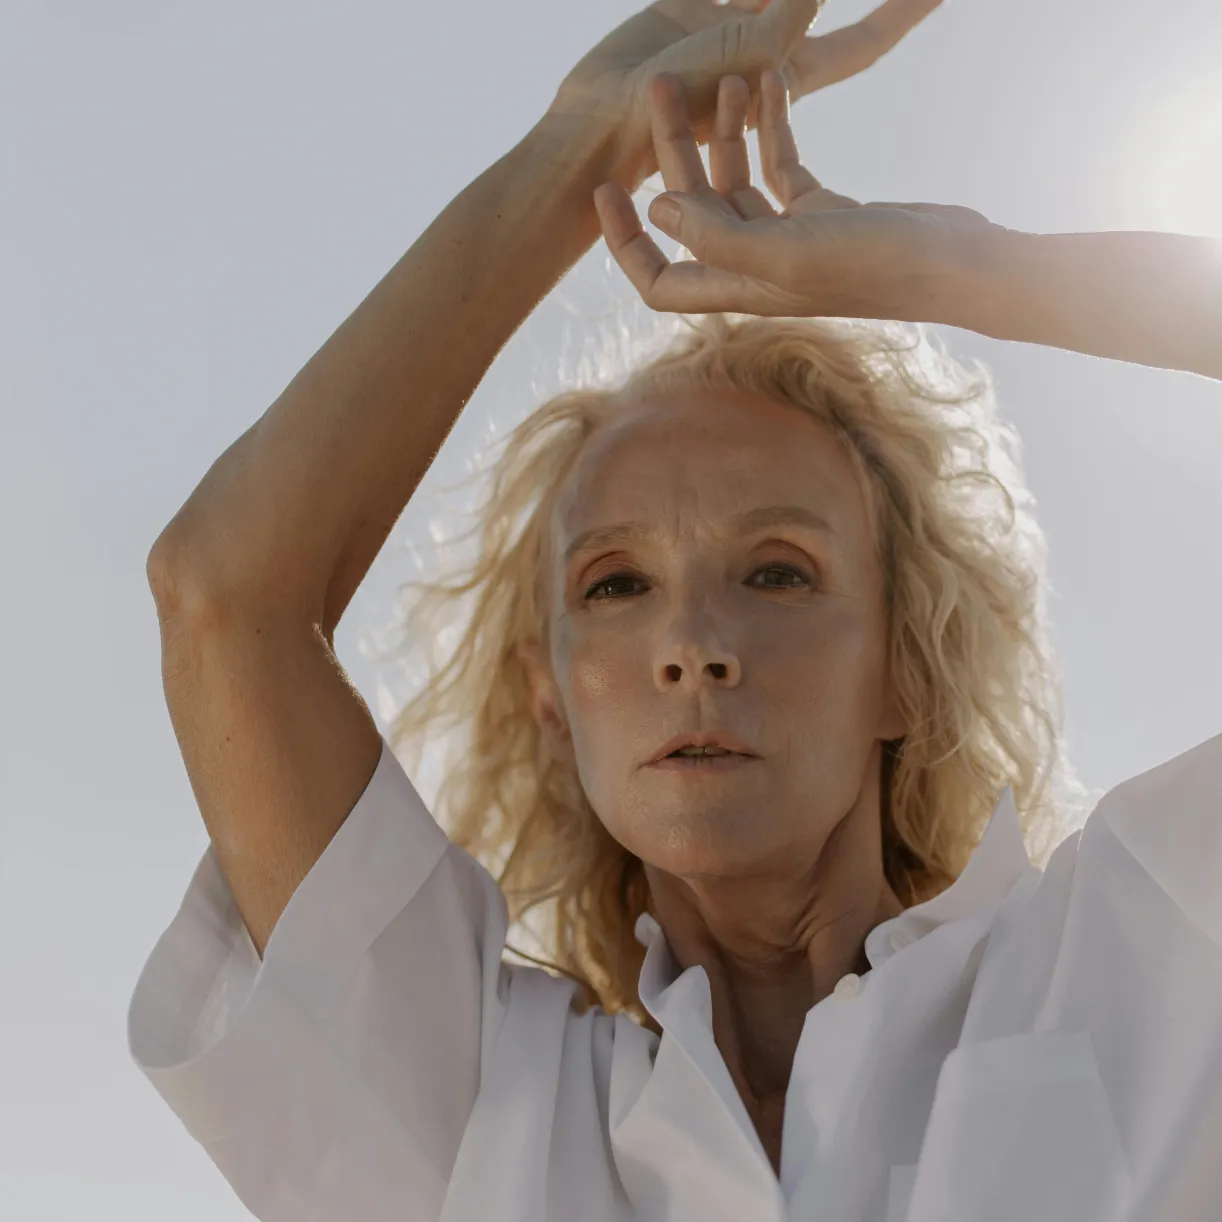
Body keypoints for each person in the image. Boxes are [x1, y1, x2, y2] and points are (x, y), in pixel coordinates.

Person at [126, 1, 1222, 1220]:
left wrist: (941, 264)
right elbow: (225, 597)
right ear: (550, 690)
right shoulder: (474, 1098)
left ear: (903, 670)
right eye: (615, 585)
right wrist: (579, 156)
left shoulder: (1141, 960)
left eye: (777, 572)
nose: (693, 649)